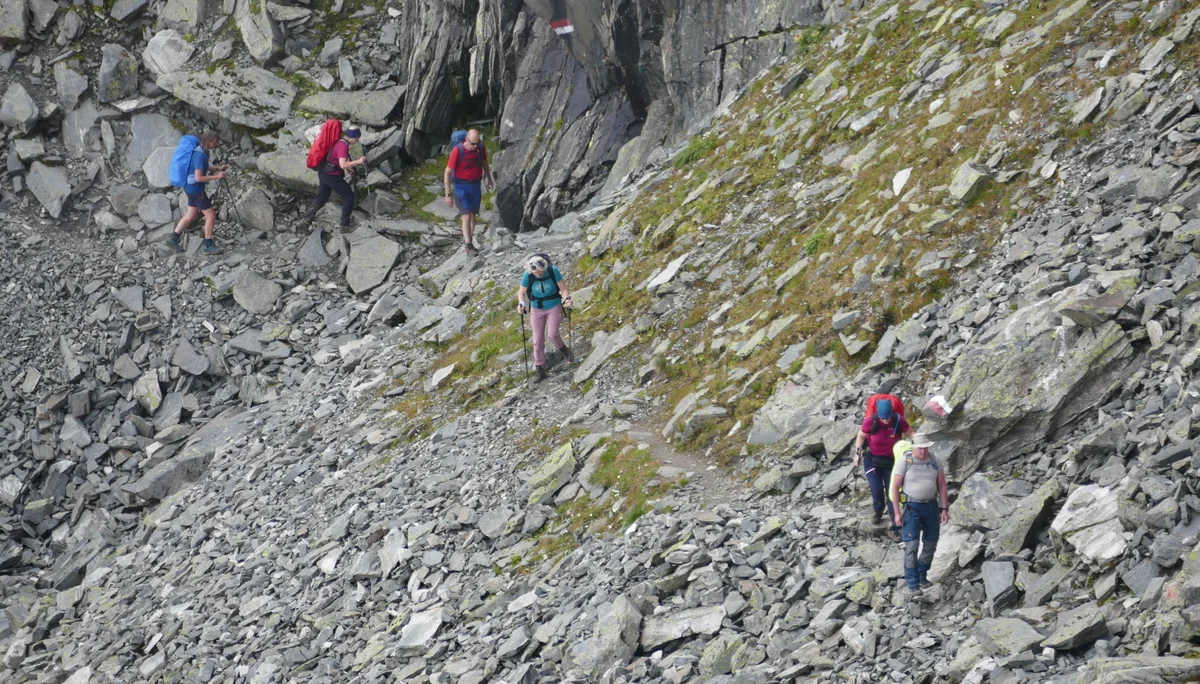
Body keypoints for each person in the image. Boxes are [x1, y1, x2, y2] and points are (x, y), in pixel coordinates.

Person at [889, 433, 950, 596]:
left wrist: (944, 508)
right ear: (913, 447)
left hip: (931, 506)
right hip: (911, 507)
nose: (923, 452)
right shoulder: (905, 461)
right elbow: (895, 487)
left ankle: (922, 575)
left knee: (930, 543)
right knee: (912, 545)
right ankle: (912, 583)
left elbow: (942, 485)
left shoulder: (935, 460)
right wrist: (896, 513)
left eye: (925, 448)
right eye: (920, 449)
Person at [852, 397, 914, 538]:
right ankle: (878, 510)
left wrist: (917, 445)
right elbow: (861, 436)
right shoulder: (871, 421)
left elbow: (910, 432)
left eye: (887, 418)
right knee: (876, 489)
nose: (885, 420)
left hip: (892, 462)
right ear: (878, 414)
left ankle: (894, 525)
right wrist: (857, 454)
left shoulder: (898, 420)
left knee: (892, 493)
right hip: (872, 461)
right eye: (883, 418)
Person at [167, 131, 227, 255]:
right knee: (210, 215)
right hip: (196, 189)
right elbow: (199, 177)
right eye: (214, 142)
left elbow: (203, 168)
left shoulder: (201, 152)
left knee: (191, 214)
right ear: (209, 141)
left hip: (190, 188)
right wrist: (217, 177)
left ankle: (173, 238)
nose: (215, 145)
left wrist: (217, 169)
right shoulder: (199, 155)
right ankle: (208, 245)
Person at [517, 254, 573, 383]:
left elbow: (563, 289)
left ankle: (563, 349)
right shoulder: (528, 274)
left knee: (552, 334)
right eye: (535, 272)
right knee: (537, 340)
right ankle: (540, 368)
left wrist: (566, 299)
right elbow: (521, 292)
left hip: (554, 305)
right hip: (537, 309)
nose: (538, 274)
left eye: (541, 271)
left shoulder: (553, 271)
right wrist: (521, 303)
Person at [302, 127, 366, 231]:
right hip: (332, 176)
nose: (357, 141)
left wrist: (349, 168)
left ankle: (305, 220)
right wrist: (358, 161)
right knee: (349, 197)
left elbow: (336, 159)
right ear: (353, 138)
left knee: (322, 198)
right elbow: (343, 164)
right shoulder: (343, 146)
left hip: (323, 172)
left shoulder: (338, 140)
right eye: (357, 139)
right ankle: (344, 226)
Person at [444, 129, 495, 255]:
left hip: (475, 185)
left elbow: (484, 162)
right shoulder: (457, 151)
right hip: (461, 187)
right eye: (472, 144)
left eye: (477, 143)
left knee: (473, 216)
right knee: (466, 216)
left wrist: (489, 178)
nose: (475, 146)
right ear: (466, 139)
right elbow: (447, 173)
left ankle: (469, 242)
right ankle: (468, 244)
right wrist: (448, 194)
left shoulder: (480, 148)